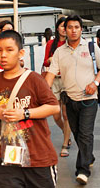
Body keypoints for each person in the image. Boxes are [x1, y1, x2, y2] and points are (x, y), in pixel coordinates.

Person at [0, 30, 60, 188]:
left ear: (21, 53)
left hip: (38, 158)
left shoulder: (34, 79)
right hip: (8, 158)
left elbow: (54, 107)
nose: (3, 55)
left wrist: (24, 113)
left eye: (9, 50)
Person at [45, 15, 100, 185]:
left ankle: (82, 170)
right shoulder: (59, 52)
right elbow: (51, 74)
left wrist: (95, 83)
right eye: (70, 27)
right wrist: (43, 92)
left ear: (81, 29)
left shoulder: (91, 46)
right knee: (78, 133)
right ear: (64, 30)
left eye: (76, 27)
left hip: (89, 99)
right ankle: (90, 156)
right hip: (69, 99)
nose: (73, 30)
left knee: (85, 133)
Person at [43, 17, 72, 157]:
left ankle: (65, 143)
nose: (64, 28)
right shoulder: (51, 44)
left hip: (67, 80)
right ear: (57, 28)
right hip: (54, 80)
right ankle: (65, 131)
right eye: (62, 26)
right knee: (56, 115)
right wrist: (51, 60)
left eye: (66, 26)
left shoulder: (71, 44)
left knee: (66, 114)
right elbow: (45, 62)